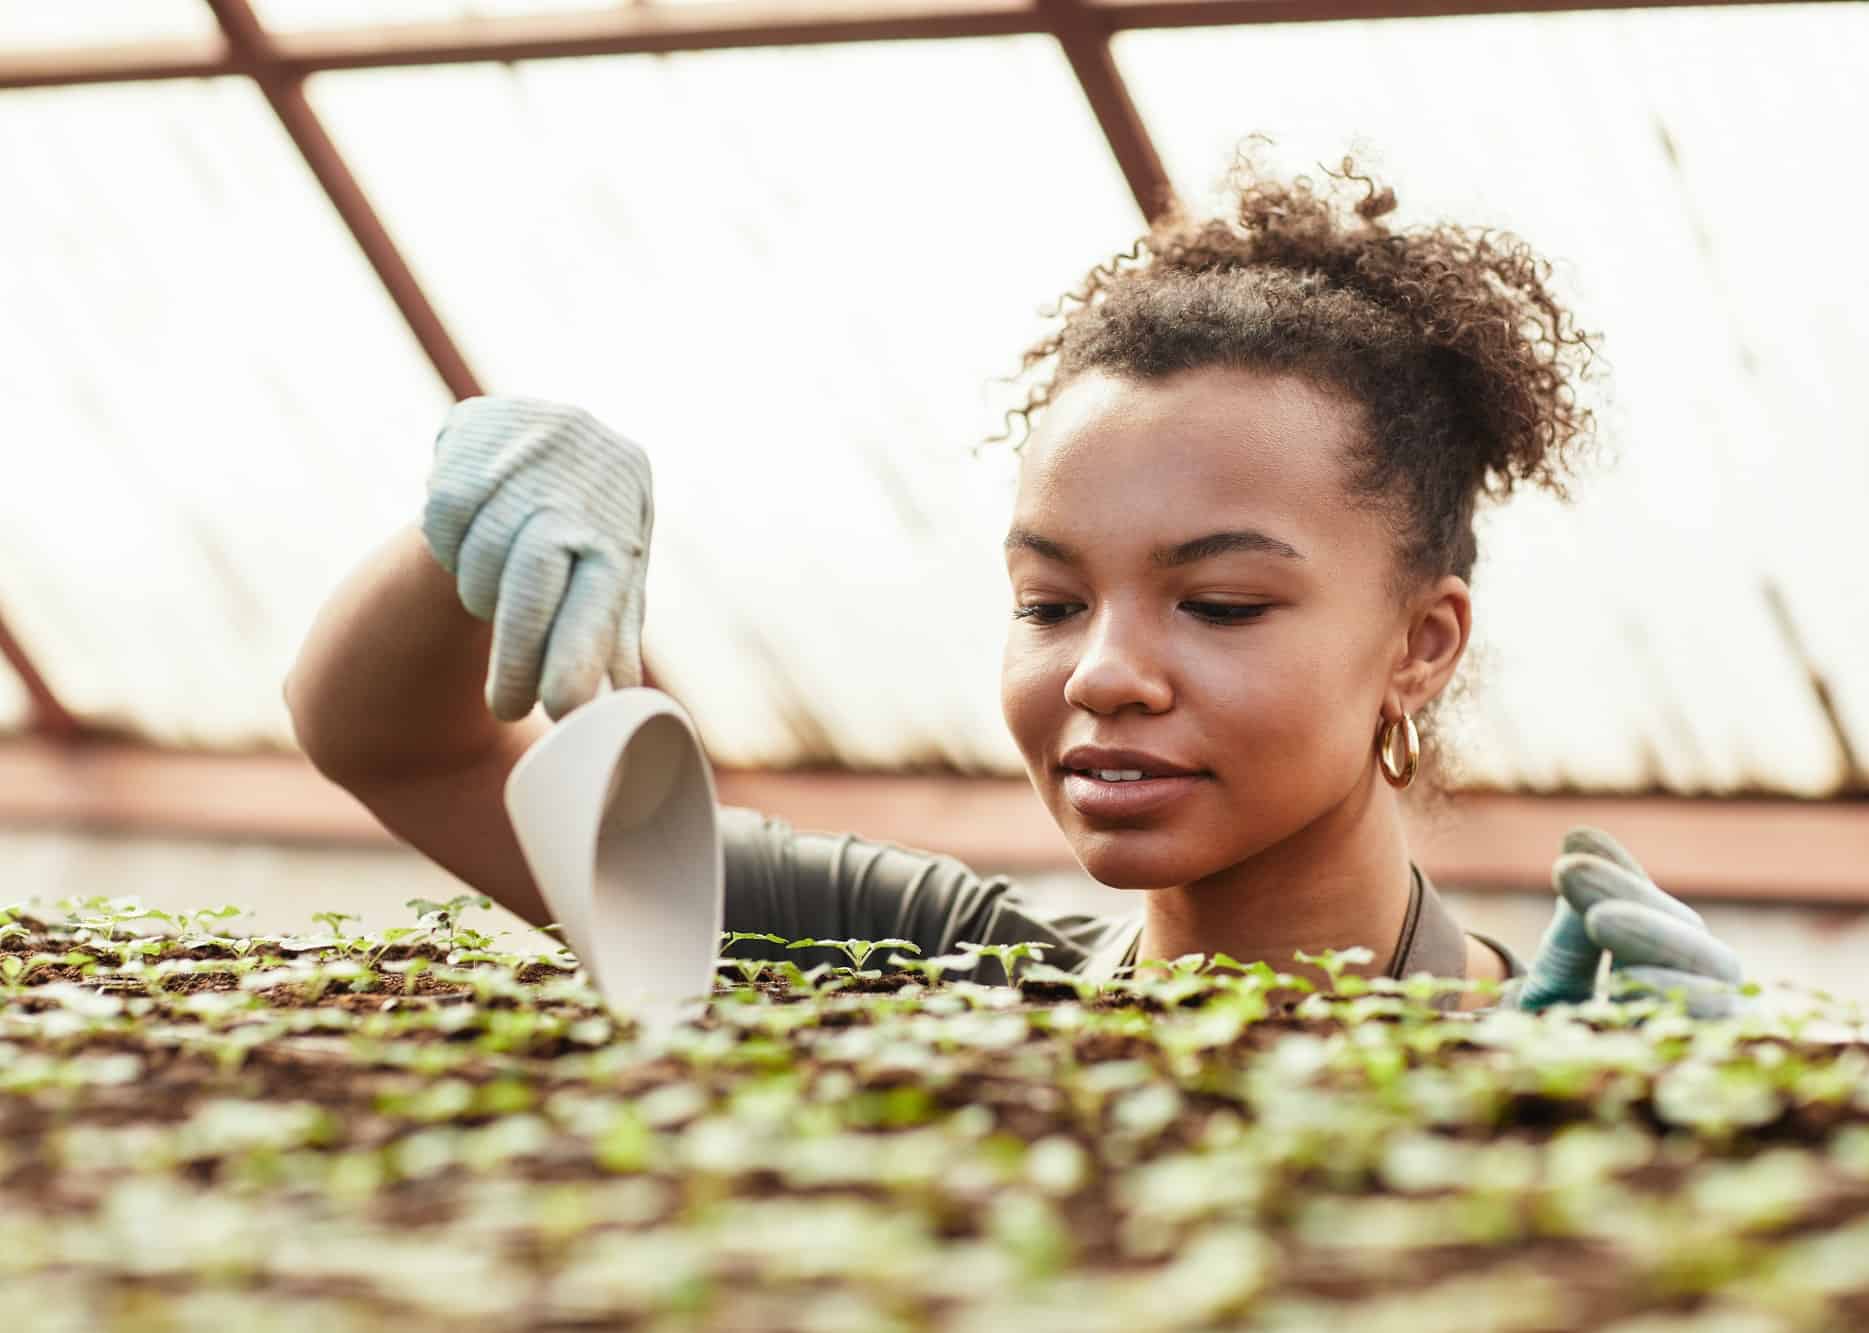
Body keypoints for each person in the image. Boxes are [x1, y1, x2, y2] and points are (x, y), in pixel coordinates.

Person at [285, 146, 1744, 1018]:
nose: (1103, 670)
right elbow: (392, 741)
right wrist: (462, 534)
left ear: (1421, 643)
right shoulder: (928, 963)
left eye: (1220, 603)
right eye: (1051, 602)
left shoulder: (1578, 1057)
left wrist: (1698, 1122)